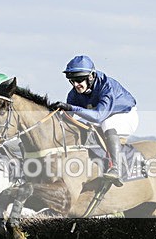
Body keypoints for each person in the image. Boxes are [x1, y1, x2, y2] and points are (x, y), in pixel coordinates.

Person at [51, 55, 138, 185]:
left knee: (107, 124)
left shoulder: (107, 87)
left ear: (91, 76)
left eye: (79, 80)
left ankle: (116, 168)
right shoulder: (73, 94)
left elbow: (99, 116)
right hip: (102, 116)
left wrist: (71, 107)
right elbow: (68, 119)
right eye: (72, 81)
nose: (76, 85)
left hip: (125, 114)